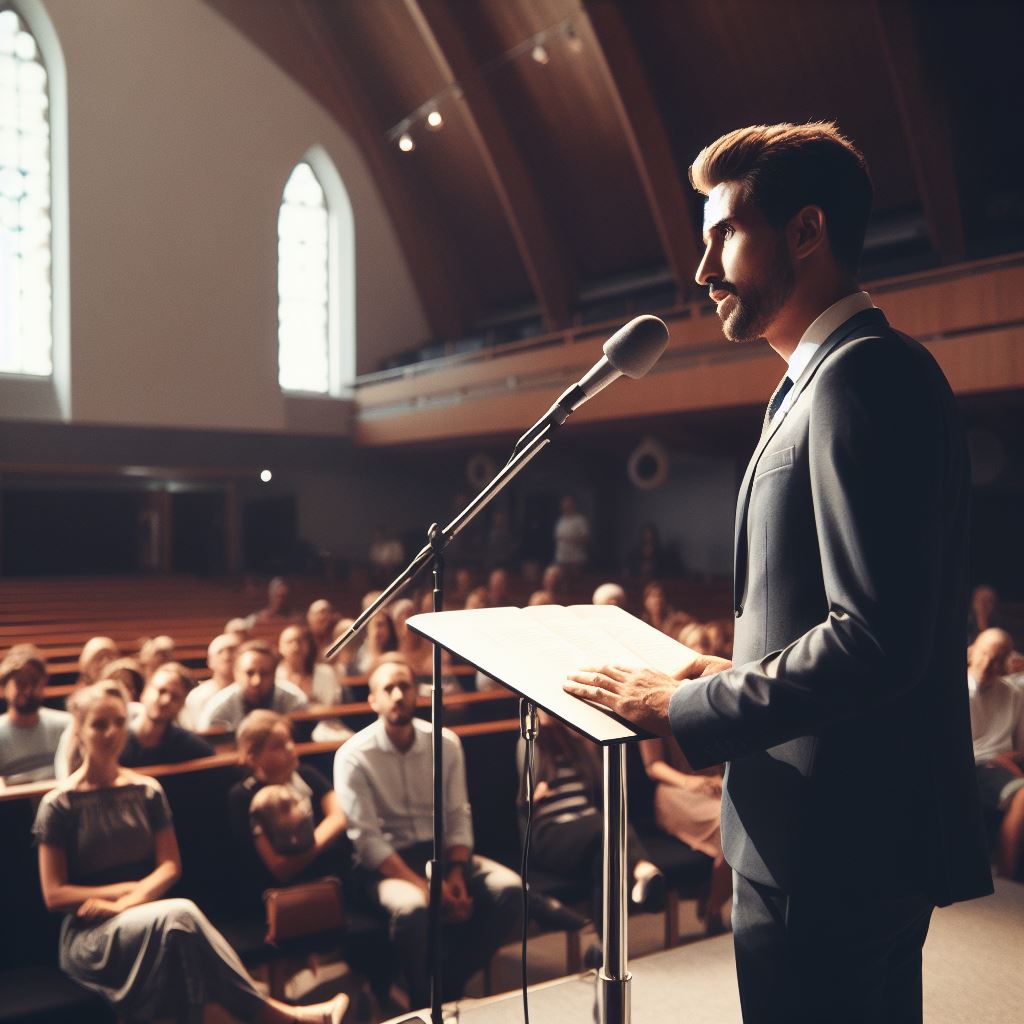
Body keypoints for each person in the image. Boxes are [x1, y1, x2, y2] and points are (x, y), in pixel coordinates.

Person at [564, 122, 992, 1024]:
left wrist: (677, 709)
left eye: (724, 232)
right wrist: (715, 670)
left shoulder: (860, 379)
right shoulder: (821, 380)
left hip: (830, 846)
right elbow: (861, 626)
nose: (703, 269)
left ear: (806, 232)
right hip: (832, 831)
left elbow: (876, 639)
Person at [33, 682, 348, 1024]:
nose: (112, 733)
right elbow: (55, 894)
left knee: (182, 949)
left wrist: (127, 902)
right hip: (92, 935)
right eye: (99, 724)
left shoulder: (147, 790)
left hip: (146, 914)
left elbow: (170, 867)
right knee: (179, 916)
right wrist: (120, 895)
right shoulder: (59, 804)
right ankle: (284, 1016)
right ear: (78, 729)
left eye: (120, 722)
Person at [334, 653, 522, 1008]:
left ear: (418, 694)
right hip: (389, 864)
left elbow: (457, 815)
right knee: (412, 909)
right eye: (387, 688)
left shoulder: (445, 742)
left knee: (510, 890)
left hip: (440, 855)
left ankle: (448, 983)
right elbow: (367, 841)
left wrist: (454, 873)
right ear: (372, 699)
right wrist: (425, 887)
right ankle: (423, 1000)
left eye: (404, 686)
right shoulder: (353, 755)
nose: (398, 695)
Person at [519, 710, 665, 951]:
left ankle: (604, 945)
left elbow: (599, 781)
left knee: (607, 862)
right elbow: (523, 797)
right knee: (610, 824)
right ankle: (644, 870)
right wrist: (535, 793)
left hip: (589, 832)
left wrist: (582, 740)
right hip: (552, 834)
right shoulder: (529, 742)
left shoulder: (574, 744)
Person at [639, 735, 731, 934]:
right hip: (676, 789)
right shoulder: (646, 706)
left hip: (715, 785)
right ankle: (713, 907)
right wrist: (690, 782)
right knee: (729, 827)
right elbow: (653, 765)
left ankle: (714, 895)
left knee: (748, 821)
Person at [967, 628, 1024, 879]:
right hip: (974, 766)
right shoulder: (953, 689)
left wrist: (1009, 761)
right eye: (986, 655)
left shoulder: (1013, 693)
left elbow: (1020, 746)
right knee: (1022, 796)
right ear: (971, 653)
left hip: (1002, 765)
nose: (990, 664)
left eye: (999, 659)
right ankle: (1005, 879)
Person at [197, 640, 308, 732]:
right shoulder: (218, 709)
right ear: (236, 673)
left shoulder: (295, 701)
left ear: (274, 674)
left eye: (264, 673)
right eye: (249, 673)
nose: (257, 681)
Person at [120, 663, 215, 768]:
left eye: (175, 697)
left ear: (182, 705)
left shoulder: (189, 746)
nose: (166, 701)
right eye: (161, 691)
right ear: (145, 691)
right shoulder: (117, 739)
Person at [0, 644, 70, 784]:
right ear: (4, 686)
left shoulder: (67, 725)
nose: (28, 691)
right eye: (21, 683)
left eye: (34, 682)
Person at [180, 633, 239, 730]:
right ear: (209, 661)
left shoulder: (253, 692)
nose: (227, 656)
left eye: (233, 650)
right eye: (220, 651)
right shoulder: (197, 697)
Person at [277, 624, 340, 706]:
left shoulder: (326, 672)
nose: (295, 647)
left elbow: (331, 705)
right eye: (289, 642)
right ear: (280, 647)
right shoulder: (274, 675)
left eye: (299, 641)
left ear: (308, 645)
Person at [552, 495, 589, 572]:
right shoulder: (561, 520)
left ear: (573, 505)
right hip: (562, 558)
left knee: (575, 581)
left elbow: (585, 539)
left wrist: (570, 540)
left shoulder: (580, 520)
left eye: (567, 504)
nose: (565, 506)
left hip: (575, 559)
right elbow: (557, 537)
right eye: (564, 504)